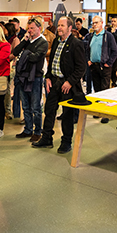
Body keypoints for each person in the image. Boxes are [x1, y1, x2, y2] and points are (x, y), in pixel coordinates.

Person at [33, 16, 87, 154]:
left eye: (62, 25)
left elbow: (81, 67)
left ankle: (66, 142)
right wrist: (48, 77)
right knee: (49, 110)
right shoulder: (57, 41)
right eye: (58, 25)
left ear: (70, 28)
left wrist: (70, 82)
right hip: (54, 82)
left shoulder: (76, 43)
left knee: (67, 114)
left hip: (67, 85)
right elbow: (52, 62)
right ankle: (46, 138)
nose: (59, 28)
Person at [10, 17, 48, 142]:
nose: (29, 30)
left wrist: (25, 55)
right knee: (25, 106)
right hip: (23, 77)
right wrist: (24, 41)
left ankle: (37, 131)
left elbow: (35, 57)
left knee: (36, 107)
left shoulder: (43, 42)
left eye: (32, 28)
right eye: (28, 28)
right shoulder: (27, 41)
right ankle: (28, 129)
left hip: (35, 78)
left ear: (39, 28)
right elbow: (16, 52)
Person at [84, 17, 117, 123]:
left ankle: (105, 114)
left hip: (104, 67)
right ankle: (98, 111)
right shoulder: (91, 36)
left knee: (105, 90)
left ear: (102, 23)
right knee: (97, 90)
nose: (94, 25)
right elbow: (87, 50)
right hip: (94, 66)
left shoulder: (108, 36)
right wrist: (88, 60)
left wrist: (109, 63)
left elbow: (115, 51)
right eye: (93, 23)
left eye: (96, 23)